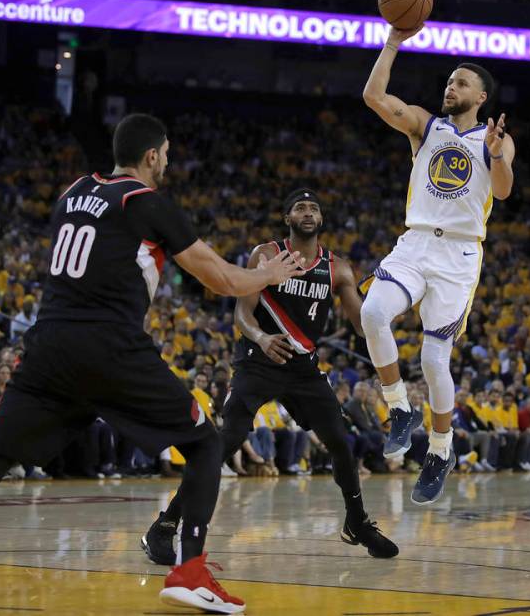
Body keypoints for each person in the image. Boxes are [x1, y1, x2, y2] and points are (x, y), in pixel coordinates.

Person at [0, 114, 304, 614]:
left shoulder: (72, 193)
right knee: (205, 441)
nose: (168, 162)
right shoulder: (147, 203)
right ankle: (190, 571)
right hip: (108, 344)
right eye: (166, 154)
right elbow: (222, 280)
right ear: (152, 155)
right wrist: (270, 272)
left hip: (47, 348)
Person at [142, 188, 397, 564]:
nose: (307, 212)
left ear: (321, 219)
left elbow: (363, 328)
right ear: (288, 218)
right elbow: (242, 316)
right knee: (224, 441)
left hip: (303, 368)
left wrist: (385, 303)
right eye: (299, 207)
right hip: (258, 360)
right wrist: (261, 338)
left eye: (313, 207)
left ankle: (357, 522)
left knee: (341, 443)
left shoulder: (339, 268)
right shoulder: (266, 255)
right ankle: (164, 525)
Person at [360, 24, 516, 504]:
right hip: (416, 241)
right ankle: (401, 411)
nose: (451, 87)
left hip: (460, 254)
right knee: (371, 312)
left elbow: (505, 189)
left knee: (433, 358)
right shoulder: (427, 125)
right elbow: (373, 95)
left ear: (481, 96)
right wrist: (393, 40)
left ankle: (441, 449)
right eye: (449, 81)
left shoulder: (496, 140)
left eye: (461, 83)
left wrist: (495, 156)